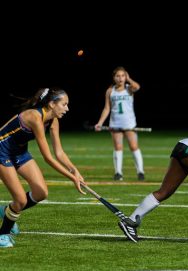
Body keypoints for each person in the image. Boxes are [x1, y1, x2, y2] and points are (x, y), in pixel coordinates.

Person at [0, 88, 85, 248]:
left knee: (41, 193)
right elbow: (48, 157)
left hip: (19, 151)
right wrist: (72, 178)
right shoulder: (35, 117)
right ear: (52, 104)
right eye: (64, 104)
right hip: (2, 151)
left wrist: (75, 171)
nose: (67, 108)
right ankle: (3, 234)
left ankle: (7, 211)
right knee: (20, 200)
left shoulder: (54, 120)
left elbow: (59, 152)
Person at [95, 66, 145, 181]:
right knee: (118, 147)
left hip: (129, 124)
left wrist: (129, 79)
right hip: (115, 123)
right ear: (114, 78)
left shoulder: (129, 89)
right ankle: (118, 173)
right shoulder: (110, 91)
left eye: (123, 75)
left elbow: (137, 87)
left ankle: (140, 171)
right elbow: (107, 108)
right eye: (118, 76)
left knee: (133, 146)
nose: (120, 78)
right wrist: (100, 122)